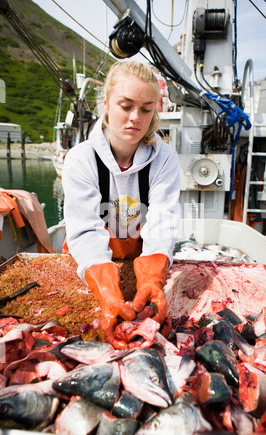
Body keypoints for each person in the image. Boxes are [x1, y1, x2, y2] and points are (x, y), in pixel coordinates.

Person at [62, 61, 180, 349]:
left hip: (140, 254)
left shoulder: (164, 158)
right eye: (125, 106)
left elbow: (163, 221)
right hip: (92, 260)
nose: (135, 118)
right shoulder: (81, 159)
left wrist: (152, 278)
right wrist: (107, 294)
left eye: (145, 108)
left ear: (155, 109)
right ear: (105, 102)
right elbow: (86, 230)